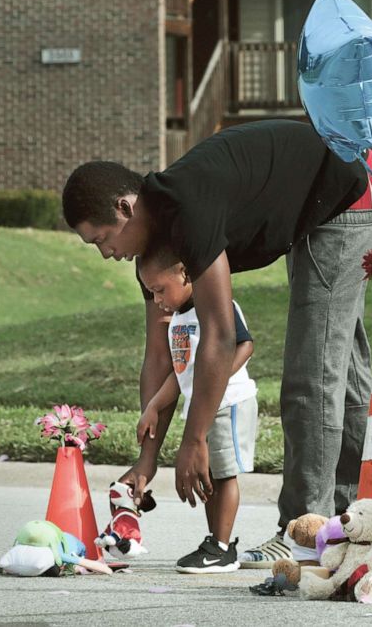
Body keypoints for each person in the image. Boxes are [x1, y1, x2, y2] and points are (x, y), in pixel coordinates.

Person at [61, 119, 372, 567]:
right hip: (320, 192)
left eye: (101, 239)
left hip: (347, 185)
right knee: (341, 367)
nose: (105, 253)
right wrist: (147, 460)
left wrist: (195, 438)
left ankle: (305, 530)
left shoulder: (189, 209)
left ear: (125, 207)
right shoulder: (155, 258)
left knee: (313, 372)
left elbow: (219, 334)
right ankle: (351, 516)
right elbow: (162, 355)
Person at [135, 239, 258, 573]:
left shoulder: (217, 307)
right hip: (203, 407)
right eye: (152, 293)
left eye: (160, 290)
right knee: (209, 479)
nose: (157, 300)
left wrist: (215, 380)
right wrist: (153, 407)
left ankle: (222, 547)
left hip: (229, 402)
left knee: (224, 475)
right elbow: (181, 373)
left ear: (185, 274)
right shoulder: (176, 322)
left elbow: (244, 346)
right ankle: (214, 542)